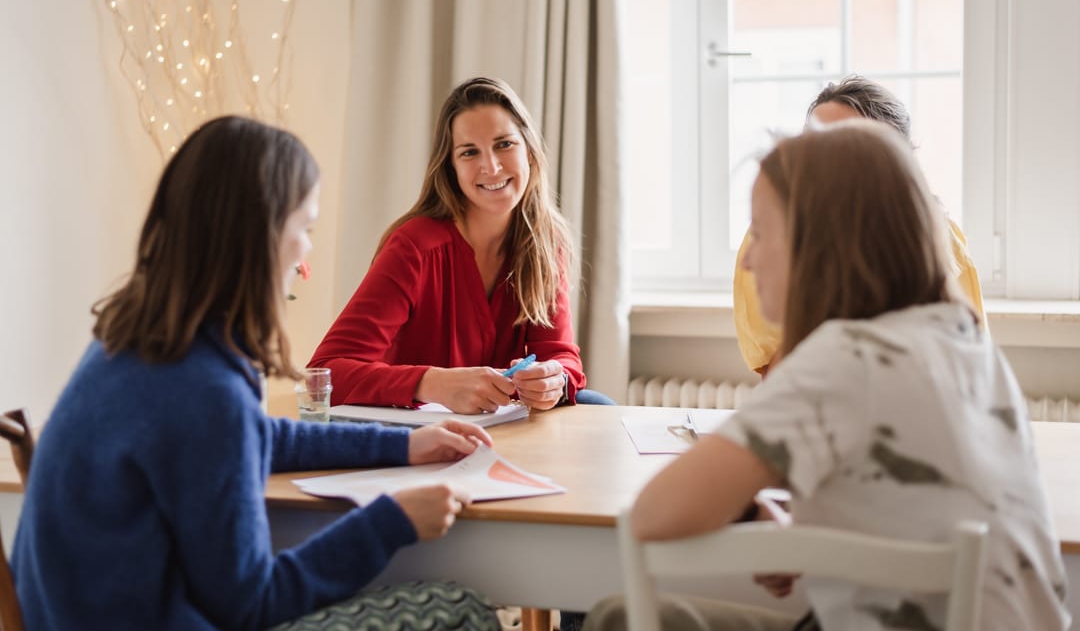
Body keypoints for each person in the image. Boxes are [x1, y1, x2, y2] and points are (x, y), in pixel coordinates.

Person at [12, 116, 501, 631]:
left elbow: (250, 436)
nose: (308, 250)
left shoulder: (132, 340)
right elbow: (251, 604)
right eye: (305, 229)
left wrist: (402, 445)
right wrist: (391, 521)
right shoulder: (206, 387)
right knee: (459, 607)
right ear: (262, 237)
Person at [584, 121, 1070, 631]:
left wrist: (751, 510)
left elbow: (654, 515)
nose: (747, 259)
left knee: (617, 617)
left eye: (761, 231)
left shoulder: (846, 358)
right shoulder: (965, 341)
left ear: (817, 243)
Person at [311, 76, 614, 413]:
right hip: (417, 429)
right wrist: (432, 383)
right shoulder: (413, 247)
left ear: (529, 150)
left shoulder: (545, 242)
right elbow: (326, 372)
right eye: (470, 152)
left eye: (504, 144)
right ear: (451, 168)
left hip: (500, 421)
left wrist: (553, 379)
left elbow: (560, 355)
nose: (491, 166)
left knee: (598, 405)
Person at [733, 75, 985, 376]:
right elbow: (779, 380)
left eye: (839, 150)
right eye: (813, 147)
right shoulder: (772, 238)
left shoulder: (944, 242)